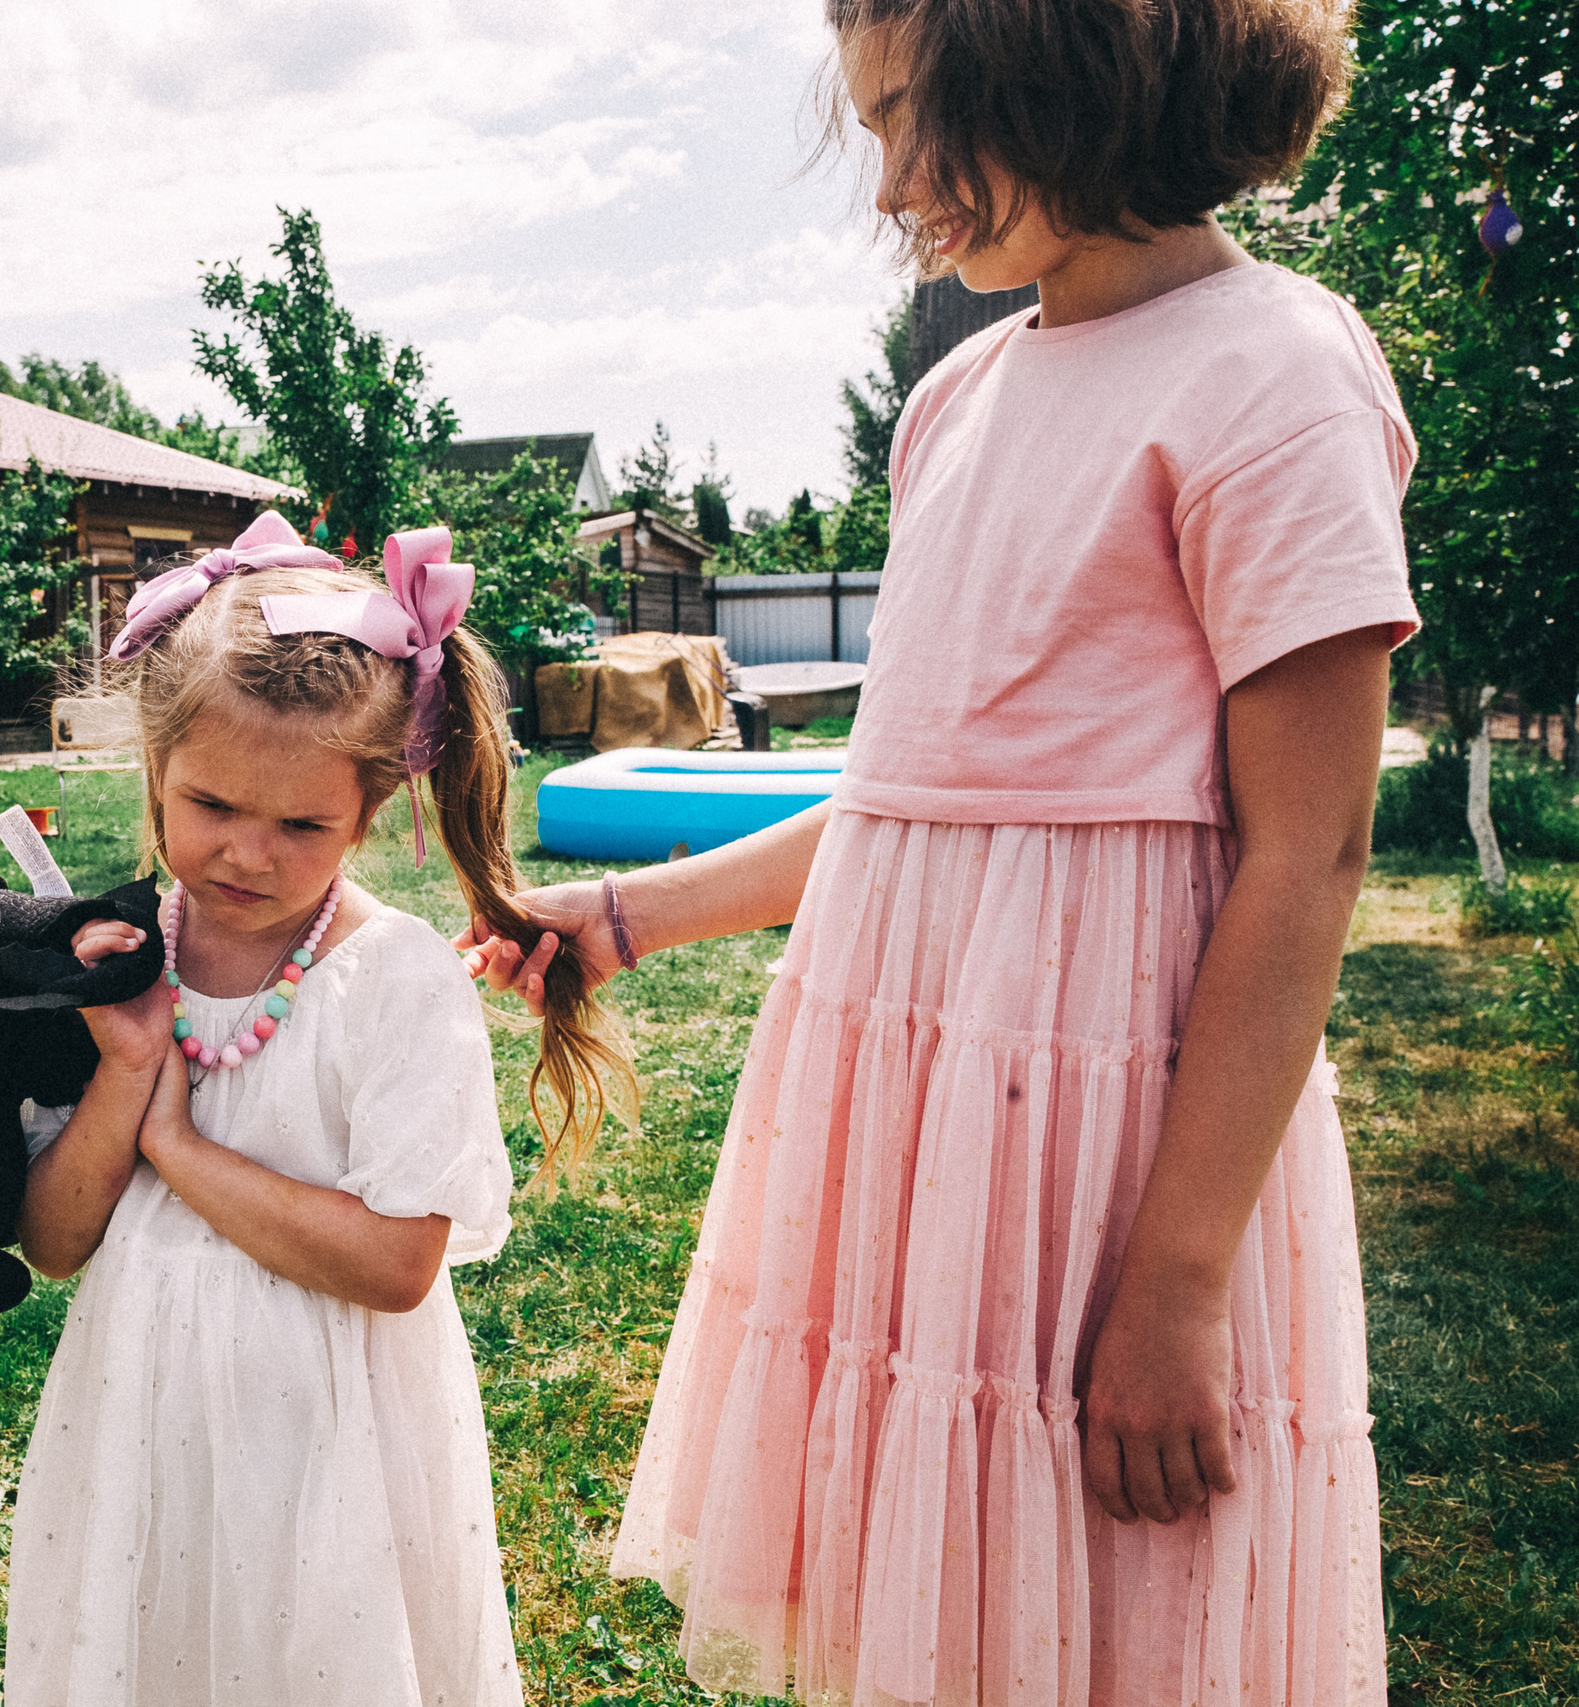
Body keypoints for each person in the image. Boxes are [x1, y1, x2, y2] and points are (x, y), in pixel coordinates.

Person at [462, 0, 1411, 1700]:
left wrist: (1179, 1281)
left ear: (1082, 65)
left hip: (1119, 1165)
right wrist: (621, 915)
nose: (890, 183)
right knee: (947, 1610)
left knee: (1117, 1611)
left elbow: (1310, 854)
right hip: (927, 1153)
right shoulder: (954, 400)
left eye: (915, 119)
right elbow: (923, 812)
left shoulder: (1275, 366)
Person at [4, 513, 625, 1706]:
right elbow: (53, 1241)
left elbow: (397, 1262)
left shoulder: (395, 982)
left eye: (303, 825)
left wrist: (176, 1144)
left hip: (331, 1445)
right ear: (155, 771)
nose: (247, 852)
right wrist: (129, 1073)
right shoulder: (115, 957)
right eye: (212, 805)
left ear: (373, 807)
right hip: (142, 1425)